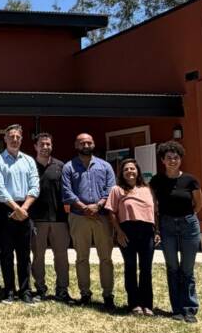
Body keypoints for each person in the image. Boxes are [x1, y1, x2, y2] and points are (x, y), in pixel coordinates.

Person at [149, 141, 202, 323]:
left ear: (181, 159)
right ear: (163, 160)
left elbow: (198, 204)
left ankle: (189, 309)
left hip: (189, 225)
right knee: (172, 268)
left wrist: (186, 217)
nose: (173, 160)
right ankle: (177, 309)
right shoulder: (156, 181)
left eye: (176, 157)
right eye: (169, 158)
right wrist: (157, 229)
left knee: (187, 269)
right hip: (167, 226)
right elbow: (154, 207)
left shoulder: (190, 180)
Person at [61, 133, 116, 309]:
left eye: (89, 142)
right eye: (82, 142)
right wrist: (84, 207)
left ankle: (108, 294)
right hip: (79, 217)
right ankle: (85, 293)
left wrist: (98, 205)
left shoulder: (105, 166)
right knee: (81, 257)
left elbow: (111, 189)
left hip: (102, 217)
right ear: (76, 145)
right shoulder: (69, 167)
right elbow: (67, 191)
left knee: (106, 258)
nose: (86, 144)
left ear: (93, 144)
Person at [0, 124, 40, 305]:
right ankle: (9, 291)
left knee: (24, 253)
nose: (14, 139)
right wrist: (15, 208)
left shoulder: (29, 161)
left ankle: (25, 291)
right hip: (5, 209)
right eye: (11, 136)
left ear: (21, 139)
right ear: (5, 139)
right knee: (6, 252)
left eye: (18, 137)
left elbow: (35, 186)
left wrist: (24, 208)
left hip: (25, 208)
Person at [107, 158, 157, 316]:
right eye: (126, 169)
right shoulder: (117, 189)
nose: (129, 171)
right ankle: (134, 304)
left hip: (147, 230)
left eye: (132, 169)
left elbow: (155, 212)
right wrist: (119, 232)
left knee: (146, 269)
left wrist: (157, 232)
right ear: (122, 173)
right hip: (127, 231)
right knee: (130, 268)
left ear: (138, 171)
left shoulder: (148, 189)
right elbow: (111, 212)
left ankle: (147, 304)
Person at [30, 133, 72, 303]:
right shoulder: (29, 166)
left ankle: (62, 290)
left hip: (59, 219)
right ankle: (40, 289)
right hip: (36, 219)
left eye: (48, 144)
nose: (45, 147)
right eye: (42, 144)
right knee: (38, 256)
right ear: (36, 147)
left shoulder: (61, 166)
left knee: (61, 256)